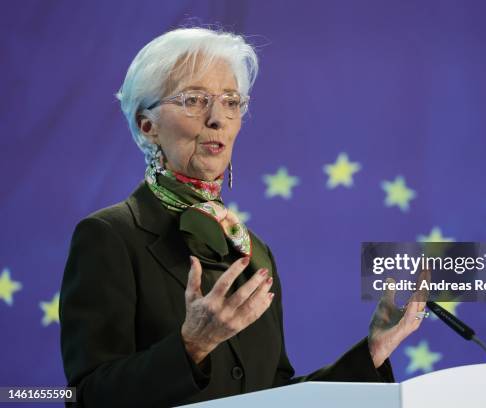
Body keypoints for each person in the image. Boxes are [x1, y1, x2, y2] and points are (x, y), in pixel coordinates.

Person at [59, 27, 428, 407]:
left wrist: (371, 355)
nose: (218, 118)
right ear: (147, 126)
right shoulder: (110, 236)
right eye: (195, 99)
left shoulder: (254, 251)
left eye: (231, 101)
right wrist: (191, 347)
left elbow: (277, 396)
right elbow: (86, 397)